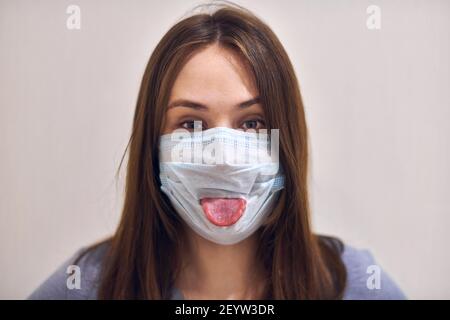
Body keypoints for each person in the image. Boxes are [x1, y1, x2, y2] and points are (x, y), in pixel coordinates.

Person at [29, 3, 405, 300]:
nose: (223, 158)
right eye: (191, 124)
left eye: (253, 123)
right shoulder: (87, 284)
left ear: (286, 139)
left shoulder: (352, 283)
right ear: (153, 147)